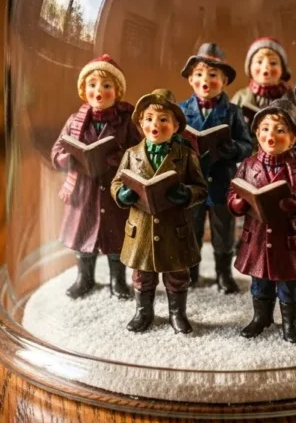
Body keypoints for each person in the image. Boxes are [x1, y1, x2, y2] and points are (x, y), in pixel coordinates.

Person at [111, 89, 207, 334]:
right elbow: (116, 183)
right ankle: (143, 312)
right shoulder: (131, 155)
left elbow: (201, 188)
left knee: (177, 274)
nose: (155, 125)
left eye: (163, 119)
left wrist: (186, 194)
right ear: (141, 123)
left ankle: (177, 313)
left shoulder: (185, 155)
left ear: (175, 126)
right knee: (142, 275)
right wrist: (122, 195)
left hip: (174, 227)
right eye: (150, 119)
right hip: (141, 228)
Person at [227, 98, 296, 342]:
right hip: (258, 237)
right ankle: (261, 317)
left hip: (289, 239)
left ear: (292, 139)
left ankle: (291, 324)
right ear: (257, 133)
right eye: (266, 129)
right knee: (260, 282)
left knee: (289, 286)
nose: (271, 135)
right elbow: (233, 193)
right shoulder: (248, 166)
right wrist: (237, 203)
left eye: (280, 131)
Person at [51, 54, 140, 300]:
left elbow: (139, 153)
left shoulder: (125, 123)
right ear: (84, 90)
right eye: (92, 85)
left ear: (117, 91)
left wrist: (116, 159)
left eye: (106, 86)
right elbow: (57, 150)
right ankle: (85, 278)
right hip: (84, 191)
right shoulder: (74, 122)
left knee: (116, 237)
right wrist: (71, 159)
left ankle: (117, 281)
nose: (98, 91)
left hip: (114, 190)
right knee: (83, 236)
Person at [179, 42, 252, 293]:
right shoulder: (180, 111)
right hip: (191, 184)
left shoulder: (232, 112)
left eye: (213, 75)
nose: (205, 80)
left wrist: (234, 149)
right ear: (190, 79)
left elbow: (248, 144)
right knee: (192, 230)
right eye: (199, 74)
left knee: (223, 232)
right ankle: (192, 273)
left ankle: (223, 274)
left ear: (224, 81)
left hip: (222, 183)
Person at [231, 36, 296, 117]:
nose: (265, 69)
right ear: (250, 67)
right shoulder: (241, 97)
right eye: (259, 62)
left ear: (283, 69)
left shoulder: (293, 98)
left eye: (273, 63)